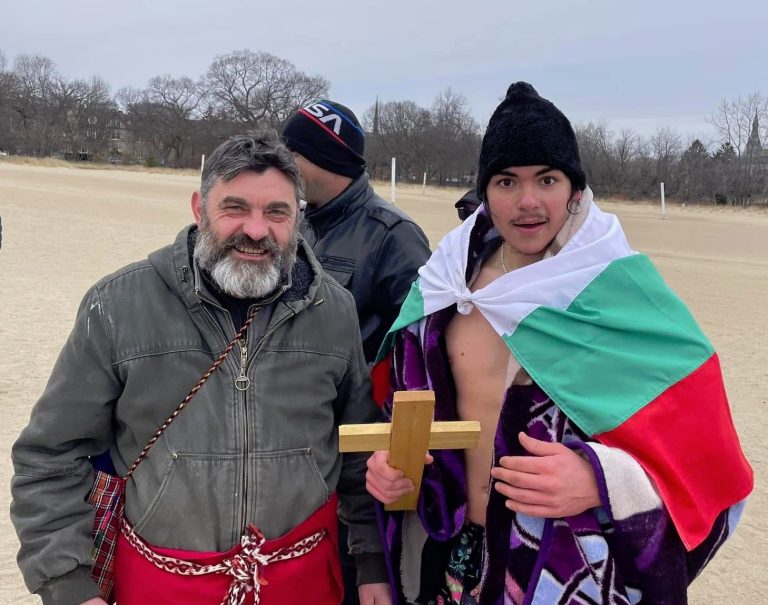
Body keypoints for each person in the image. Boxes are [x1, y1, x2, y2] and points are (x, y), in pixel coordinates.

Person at [365, 83, 753, 604]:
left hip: (563, 567)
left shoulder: (617, 288)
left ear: (574, 189)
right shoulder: (446, 283)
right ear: (485, 192)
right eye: (507, 182)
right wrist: (394, 467)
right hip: (453, 560)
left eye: (546, 179)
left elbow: (707, 455)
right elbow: (403, 411)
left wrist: (603, 479)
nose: (528, 202)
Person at [11, 131, 391, 605]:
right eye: (235, 208)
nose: (257, 230)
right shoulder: (117, 305)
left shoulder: (333, 311)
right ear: (199, 208)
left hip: (301, 582)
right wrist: (68, 585)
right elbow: (50, 456)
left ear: (298, 218)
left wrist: (372, 564)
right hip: (161, 586)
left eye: (277, 212)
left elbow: (358, 452)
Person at [282, 100, 431, 605]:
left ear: (323, 159)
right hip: (296, 451)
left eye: (290, 152)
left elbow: (422, 354)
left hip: (360, 465)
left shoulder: (395, 238)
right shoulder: (295, 222)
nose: (281, 162)